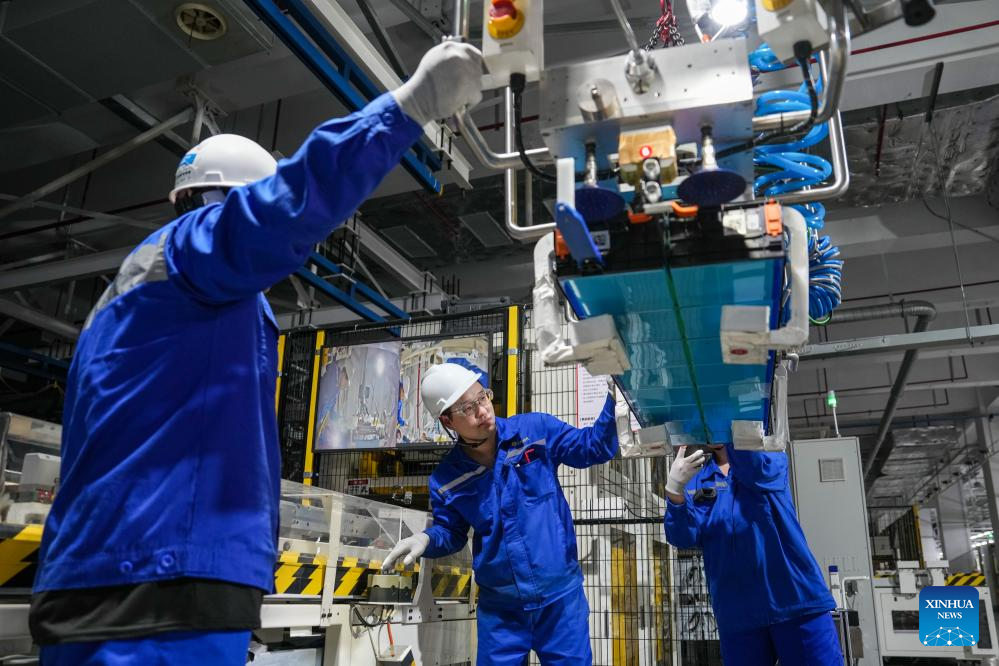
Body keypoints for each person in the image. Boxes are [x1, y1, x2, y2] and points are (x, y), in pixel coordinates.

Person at [29, 41, 484, 665]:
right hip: (155, 586)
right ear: (222, 204)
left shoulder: (134, 300)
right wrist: (407, 110)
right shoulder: (191, 253)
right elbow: (282, 209)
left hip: (128, 579)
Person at [381, 361, 618, 665]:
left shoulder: (535, 432)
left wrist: (614, 401)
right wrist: (426, 539)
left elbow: (593, 447)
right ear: (447, 421)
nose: (482, 411)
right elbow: (451, 533)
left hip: (560, 601)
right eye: (467, 408)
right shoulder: (446, 479)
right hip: (501, 613)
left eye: (482, 397)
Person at [662, 443, 843, 665]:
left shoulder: (771, 457)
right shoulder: (699, 479)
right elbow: (683, 537)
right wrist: (675, 492)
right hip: (737, 612)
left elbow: (753, 470)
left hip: (796, 600)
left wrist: (735, 434)